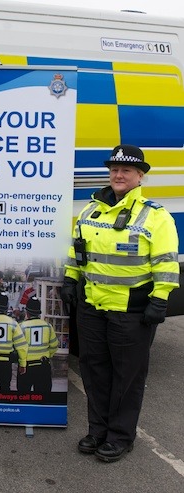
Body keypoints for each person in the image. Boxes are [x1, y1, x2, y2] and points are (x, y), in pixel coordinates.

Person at [60, 144, 179, 463]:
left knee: (127, 376)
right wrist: (71, 278)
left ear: (140, 176)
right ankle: (97, 431)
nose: (118, 175)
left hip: (133, 313)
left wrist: (160, 300)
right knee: (94, 371)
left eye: (126, 170)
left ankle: (121, 436)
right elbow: (78, 250)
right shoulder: (91, 210)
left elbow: (166, 263)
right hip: (92, 308)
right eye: (114, 169)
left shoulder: (156, 216)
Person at [17, 297, 59, 393]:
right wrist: (48, 356)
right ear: (39, 312)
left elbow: (19, 348)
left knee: (23, 398)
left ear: (27, 312)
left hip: (26, 367)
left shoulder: (21, 327)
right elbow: (54, 345)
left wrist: (21, 362)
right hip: (43, 366)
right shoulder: (48, 326)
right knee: (43, 400)